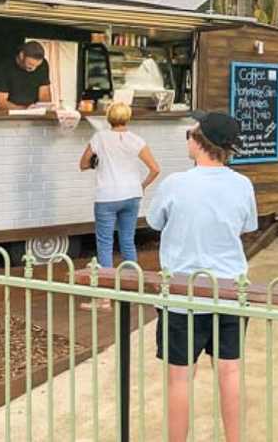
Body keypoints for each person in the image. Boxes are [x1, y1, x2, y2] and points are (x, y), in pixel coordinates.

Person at [146, 111, 257, 442]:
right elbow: (247, 226)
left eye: (191, 134)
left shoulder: (175, 184)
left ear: (199, 142)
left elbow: (154, 222)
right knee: (230, 370)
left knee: (180, 377)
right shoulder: (242, 184)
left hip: (183, 292)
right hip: (230, 289)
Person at [79, 102, 160, 310]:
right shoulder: (136, 140)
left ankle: (104, 297)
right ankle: (132, 288)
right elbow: (155, 169)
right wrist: (141, 186)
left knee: (105, 244)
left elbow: (83, 164)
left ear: (108, 118)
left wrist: (97, 162)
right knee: (127, 240)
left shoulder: (100, 138)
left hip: (107, 195)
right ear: (128, 118)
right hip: (131, 195)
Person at [0, 41, 52, 110]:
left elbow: (45, 96)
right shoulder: (5, 67)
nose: (33, 69)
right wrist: (24, 110)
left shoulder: (43, 65)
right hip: (11, 113)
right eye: (30, 64)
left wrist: (42, 109)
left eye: (37, 66)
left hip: (34, 113)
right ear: (21, 55)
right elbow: (1, 102)